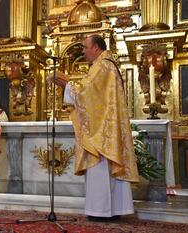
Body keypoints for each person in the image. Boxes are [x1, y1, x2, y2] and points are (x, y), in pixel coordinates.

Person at [49, 35, 139, 221]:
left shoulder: (103, 65)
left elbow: (86, 92)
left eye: (85, 47)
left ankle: (102, 211)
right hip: (104, 125)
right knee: (105, 171)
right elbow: (92, 93)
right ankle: (112, 210)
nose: (83, 51)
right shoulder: (106, 64)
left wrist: (66, 84)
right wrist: (69, 85)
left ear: (96, 47)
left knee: (100, 168)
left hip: (101, 130)